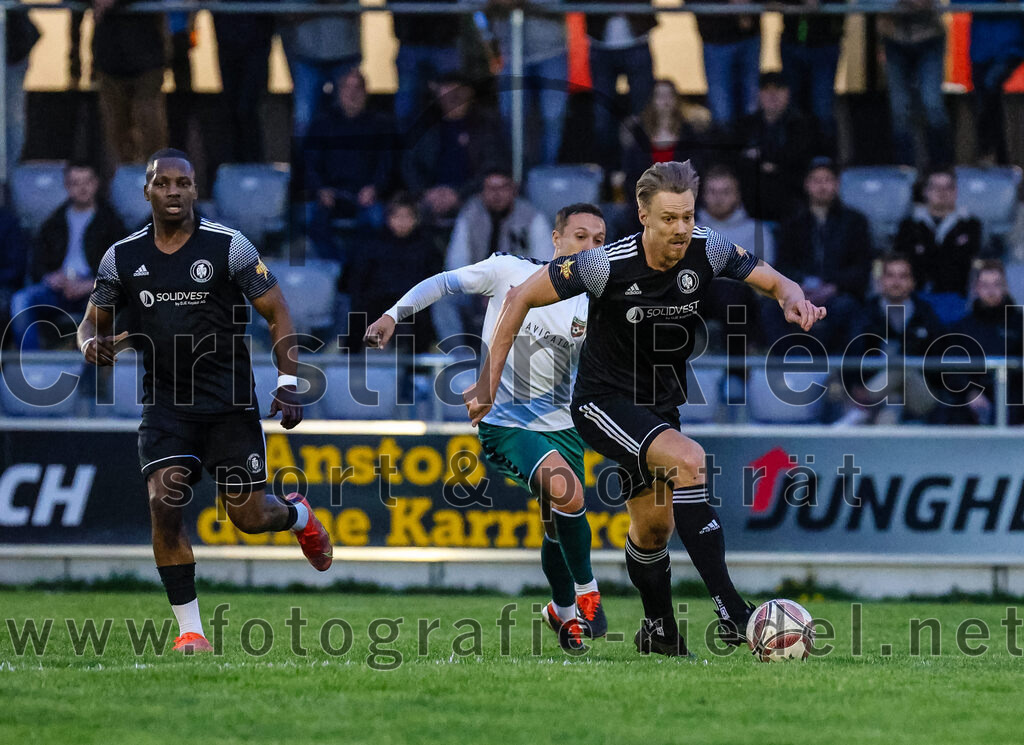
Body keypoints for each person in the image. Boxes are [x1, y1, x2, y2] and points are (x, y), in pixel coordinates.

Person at [464, 161, 826, 656]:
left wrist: (794, 298)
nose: (681, 229)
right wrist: (487, 379)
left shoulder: (708, 247)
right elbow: (522, 296)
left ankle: (658, 632)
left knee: (655, 527)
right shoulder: (605, 264)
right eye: (669, 219)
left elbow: (775, 280)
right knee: (690, 460)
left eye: (687, 216)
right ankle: (733, 612)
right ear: (643, 215)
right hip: (602, 403)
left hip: (660, 405)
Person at [77, 149, 333, 654]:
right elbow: (93, 322)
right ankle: (191, 631)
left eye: (183, 183)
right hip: (166, 406)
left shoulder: (229, 247)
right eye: (163, 183)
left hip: (230, 405)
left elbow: (278, 311)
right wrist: (88, 343)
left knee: (249, 517)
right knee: (163, 500)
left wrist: (287, 383)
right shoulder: (121, 258)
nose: (174, 191)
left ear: (196, 190)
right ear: (146, 191)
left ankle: (299, 517)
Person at [365, 203, 609, 651]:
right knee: (568, 492)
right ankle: (588, 595)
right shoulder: (509, 270)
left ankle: (563, 614)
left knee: (557, 519)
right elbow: (443, 283)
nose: (590, 247)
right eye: (580, 236)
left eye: (598, 240)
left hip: (564, 426)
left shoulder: (599, 300)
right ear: (556, 240)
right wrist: (393, 315)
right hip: (506, 421)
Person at [10, 162, 126, 350]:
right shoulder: (53, 222)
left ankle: (90, 374)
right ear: (66, 186)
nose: (82, 188)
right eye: (75, 183)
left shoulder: (111, 223)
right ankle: (33, 367)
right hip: (57, 290)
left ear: (96, 183)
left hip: (93, 292)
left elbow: (122, 266)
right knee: (21, 301)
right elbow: (37, 262)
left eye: (87, 181)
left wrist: (91, 283)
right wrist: (50, 277)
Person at [434, 167, 552, 341]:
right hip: (476, 290)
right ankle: (456, 361)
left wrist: (505, 290)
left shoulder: (532, 217)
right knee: (443, 298)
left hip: (518, 292)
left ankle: (522, 361)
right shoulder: (470, 214)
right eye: (491, 188)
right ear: (482, 191)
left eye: (503, 187)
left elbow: (544, 267)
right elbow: (456, 263)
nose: (497, 194)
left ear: (513, 190)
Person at [771, 157, 873, 354]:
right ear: (807, 184)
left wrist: (832, 287)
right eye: (816, 180)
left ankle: (848, 377)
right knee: (771, 309)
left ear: (837, 184)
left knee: (851, 309)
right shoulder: (792, 223)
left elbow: (861, 267)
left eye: (827, 180)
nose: (822, 186)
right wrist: (799, 286)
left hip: (839, 295)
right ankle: (788, 374)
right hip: (798, 293)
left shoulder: (855, 222)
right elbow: (782, 265)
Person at [838, 253, 946, 426]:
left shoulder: (926, 315)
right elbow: (850, 352)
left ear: (912, 282)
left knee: (902, 365)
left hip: (919, 393)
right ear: (881, 281)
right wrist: (855, 385)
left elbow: (939, 360)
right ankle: (871, 421)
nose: (896, 282)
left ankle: (861, 407)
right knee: (889, 412)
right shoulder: (865, 314)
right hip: (882, 393)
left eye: (903, 276)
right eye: (891, 276)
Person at [302, 68, 396, 262]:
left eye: (358, 88)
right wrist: (320, 189)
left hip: (367, 195)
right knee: (307, 220)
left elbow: (387, 164)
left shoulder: (381, 124)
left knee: (377, 221)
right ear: (339, 92)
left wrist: (375, 188)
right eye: (347, 87)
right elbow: (309, 163)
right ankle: (339, 268)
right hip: (330, 194)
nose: (352, 93)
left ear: (366, 92)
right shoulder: (322, 124)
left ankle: (358, 268)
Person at [341, 194, 443, 353]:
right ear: (388, 218)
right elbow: (357, 279)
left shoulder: (426, 247)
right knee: (359, 314)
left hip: (413, 302)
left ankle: (419, 373)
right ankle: (350, 363)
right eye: (397, 216)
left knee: (423, 320)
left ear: (416, 219)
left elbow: (435, 278)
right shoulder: (372, 244)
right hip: (377, 299)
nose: (402, 222)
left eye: (407, 216)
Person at [402, 74, 510, 223]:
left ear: (469, 94)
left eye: (459, 92)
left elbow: (492, 167)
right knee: (403, 216)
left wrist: (458, 194)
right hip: (429, 198)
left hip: (472, 197)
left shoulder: (484, 125)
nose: (454, 98)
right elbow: (409, 164)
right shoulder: (424, 126)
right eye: (448, 92)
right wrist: (425, 192)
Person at [571, 0, 656, 165]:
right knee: (602, 117)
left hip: (637, 41)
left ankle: (644, 166)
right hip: (600, 45)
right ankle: (606, 172)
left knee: (645, 114)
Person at [894, 166, 983, 324]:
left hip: (956, 297)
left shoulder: (970, 225)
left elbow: (964, 263)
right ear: (925, 191)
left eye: (948, 187)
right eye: (935, 187)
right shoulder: (909, 225)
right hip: (916, 296)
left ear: (956, 192)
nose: (942, 192)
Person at [91, 0, 168, 175]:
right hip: (109, 54)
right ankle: (123, 183)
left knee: (150, 125)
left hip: (147, 53)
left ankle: (155, 181)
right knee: (115, 131)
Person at [489, 0, 569, 166]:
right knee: (510, 116)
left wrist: (522, 2)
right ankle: (514, 176)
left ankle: (547, 173)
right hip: (510, 52)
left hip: (552, 51)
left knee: (553, 116)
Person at [877, 0, 950, 167]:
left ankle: (941, 169)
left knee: (932, 103)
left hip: (929, 35)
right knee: (900, 109)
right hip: (893, 37)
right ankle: (906, 171)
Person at [950, 260, 1024, 424]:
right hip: (974, 396)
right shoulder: (962, 327)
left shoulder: (1020, 324)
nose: (991, 291)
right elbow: (951, 367)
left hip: (1015, 396)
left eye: (997, 285)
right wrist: (970, 392)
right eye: (985, 285)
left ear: (1005, 288)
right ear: (976, 289)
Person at [279, 0, 362, 139]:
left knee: (347, 118)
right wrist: (331, 7)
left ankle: (346, 160)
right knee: (304, 119)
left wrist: (314, 8)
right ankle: (304, 160)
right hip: (306, 54)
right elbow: (291, 14)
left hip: (344, 54)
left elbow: (351, 10)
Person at [778, 0, 845, 151]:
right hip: (793, 40)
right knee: (792, 109)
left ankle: (824, 162)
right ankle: (794, 158)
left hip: (825, 42)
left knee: (822, 110)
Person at [964, 1, 1024, 165]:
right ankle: (998, 158)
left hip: (1011, 45)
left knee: (991, 86)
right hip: (980, 49)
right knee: (986, 98)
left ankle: (990, 153)